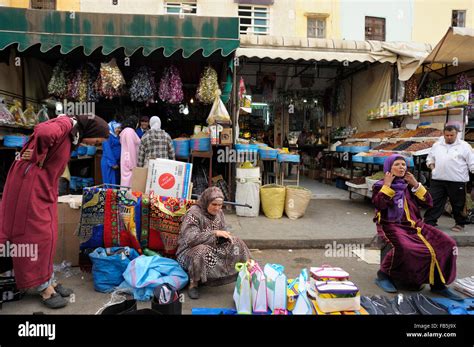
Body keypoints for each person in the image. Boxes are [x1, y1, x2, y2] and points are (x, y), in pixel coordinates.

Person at [0, 114, 109, 309]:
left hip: (43, 184)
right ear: (92, 131)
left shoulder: (72, 134)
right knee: (36, 235)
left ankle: (47, 278)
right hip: (29, 185)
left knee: (49, 232)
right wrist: (38, 156)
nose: (97, 144)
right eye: (98, 140)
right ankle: (42, 287)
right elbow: (43, 131)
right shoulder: (66, 124)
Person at [372, 154, 461, 300]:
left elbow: (428, 203)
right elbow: (380, 205)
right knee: (405, 248)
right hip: (392, 225)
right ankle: (383, 275)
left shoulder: (408, 185)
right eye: (397, 164)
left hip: (415, 225)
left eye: (403, 164)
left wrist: (416, 185)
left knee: (448, 244)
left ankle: (438, 284)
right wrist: (387, 186)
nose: (401, 167)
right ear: (389, 168)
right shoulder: (379, 185)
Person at [176, 187, 251, 299]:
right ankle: (193, 284)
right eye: (214, 204)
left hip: (211, 245)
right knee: (201, 251)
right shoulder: (193, 214)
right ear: (206, 201)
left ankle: (249, 272)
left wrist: (225, 237)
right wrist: (214, 233)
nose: (217, 208)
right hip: (189, 251)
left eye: (220, 205)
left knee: (237, 242)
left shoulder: (219, 213)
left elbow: (223, 229)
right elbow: (190, 239)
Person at [424, 124, 474, 232]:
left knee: (458, 203)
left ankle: (460, 223)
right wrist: (433, 169)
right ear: (444, 134)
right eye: (447, 135)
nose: (449, 137)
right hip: (438, 179)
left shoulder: (465, 146)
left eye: (452, 135)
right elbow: (430, 159)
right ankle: (430, 222)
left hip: (457, 180)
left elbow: (472, 163)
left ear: (457, 134)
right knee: (433, 201)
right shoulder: (437, 145)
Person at [120, 116, 141, 187]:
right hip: (129, 161)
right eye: (137, 122)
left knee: (126, 181)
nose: (138, 124)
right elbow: (131, 148)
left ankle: (124, 196)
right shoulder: (129, 131)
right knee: (129, 182)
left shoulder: (126, 131)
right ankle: (127, 197)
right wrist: (133, 165)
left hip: (126, 159)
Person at [101, 121, 121, 185]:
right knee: (109, 182)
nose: (119, 130)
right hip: (109, 163)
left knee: (115, 182)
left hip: (115, 162)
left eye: (119, 128)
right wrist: (113, 163)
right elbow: (108, 151)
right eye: (117, 128)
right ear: (111, 128)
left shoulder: (116, 136)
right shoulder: (107, 137)